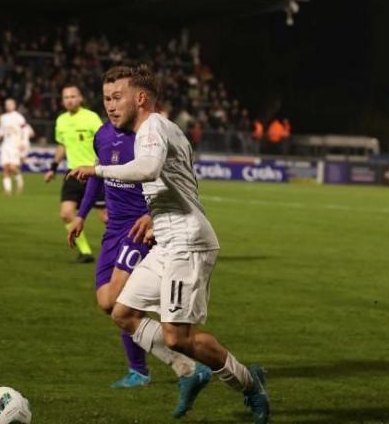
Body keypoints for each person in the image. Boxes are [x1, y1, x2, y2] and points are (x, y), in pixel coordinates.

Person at [68, 65, 270, 423]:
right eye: (106, 100)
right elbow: (176, 181)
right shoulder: (162, 130)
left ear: (141, 98)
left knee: (178, 337)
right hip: (167, 239)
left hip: (187, 243)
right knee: (122, 313)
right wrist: (154, 215)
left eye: (118, 98)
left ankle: (249, 383)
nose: (111, 106)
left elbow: (146, 168)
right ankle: (189, 372)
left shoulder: (153, 128)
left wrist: (96, 170)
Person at [44, 85, 105, 263]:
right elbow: (62, 146)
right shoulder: (61, 120)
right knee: (66, 214)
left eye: (73, 96)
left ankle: (127, 247)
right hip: (73, 173)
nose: (69, 100)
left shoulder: (91, 117)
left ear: (80, 98)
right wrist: (53, 168)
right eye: (66, 97)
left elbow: (104, 140)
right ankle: (85, 252)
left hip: (94, 173)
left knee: (107, 218)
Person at [0, 99, 25, 195]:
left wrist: (23, 142)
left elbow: (25, 129)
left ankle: (19, 179)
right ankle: (7, 190)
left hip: (15, 145)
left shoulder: (19, 117)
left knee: (12, 167)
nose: (8, 106)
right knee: (5, 167)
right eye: (7, 104)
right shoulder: (3, 117)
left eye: (10, 104)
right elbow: (1, 129)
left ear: (14, 105)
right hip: (5, 145)